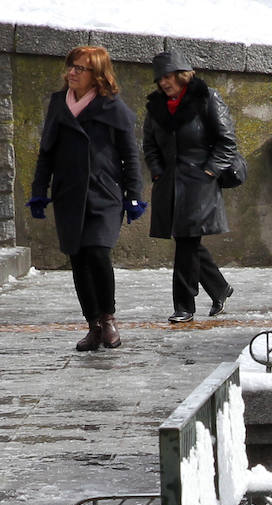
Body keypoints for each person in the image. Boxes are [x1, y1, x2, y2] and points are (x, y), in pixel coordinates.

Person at [28, 46, 145, 351]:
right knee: (78, 258)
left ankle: (108, 318)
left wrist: (134, 195)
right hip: (68, 194)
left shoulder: (112, 107)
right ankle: (93, 325)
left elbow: (130, 155)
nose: (72, 72)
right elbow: (46, 152)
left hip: (104, 193)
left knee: (97, 252)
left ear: (97, 75)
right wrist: (39, 191)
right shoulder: (59, 104)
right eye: (71, 66)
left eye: (80, 68)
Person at [142, 50, 236, 324]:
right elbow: (149, 144)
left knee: (186, 241)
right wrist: (157, 172)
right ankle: (219, 287)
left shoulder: (207, 98)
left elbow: (227, 141)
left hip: (200, 182)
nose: (164, 83)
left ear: (182, 74)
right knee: (187, 240)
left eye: (168, 76)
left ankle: (184, 305)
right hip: (169, 183)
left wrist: (210, 170)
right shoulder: (156, 106)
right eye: (160, 79)